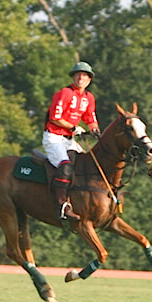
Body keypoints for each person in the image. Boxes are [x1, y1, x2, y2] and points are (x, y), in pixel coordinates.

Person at [43, 61, 101, 221]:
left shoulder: (89, 98)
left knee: (86, 165)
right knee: (66, 167)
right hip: (54, 137)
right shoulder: (65, 93)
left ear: (89, 79)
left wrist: (95, 130)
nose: (80, 78)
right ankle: (61, 204)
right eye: (78, 74)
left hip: (69, 140)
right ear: (73, 77)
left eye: (84, 75)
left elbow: (90, 118)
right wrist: (74, 127)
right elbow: (55, 118)